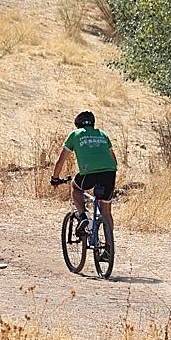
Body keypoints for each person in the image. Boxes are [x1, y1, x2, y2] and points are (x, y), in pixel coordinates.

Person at [50, 110, 118, 256]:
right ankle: (108, 249)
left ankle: (83, 217)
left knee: (76, 187)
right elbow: (114, 160)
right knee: (106, 212)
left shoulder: (75, 135)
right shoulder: (102, 134)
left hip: (89, 173)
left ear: (77, 124)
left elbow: (60, 161)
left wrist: (55, 178)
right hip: (109, 172)